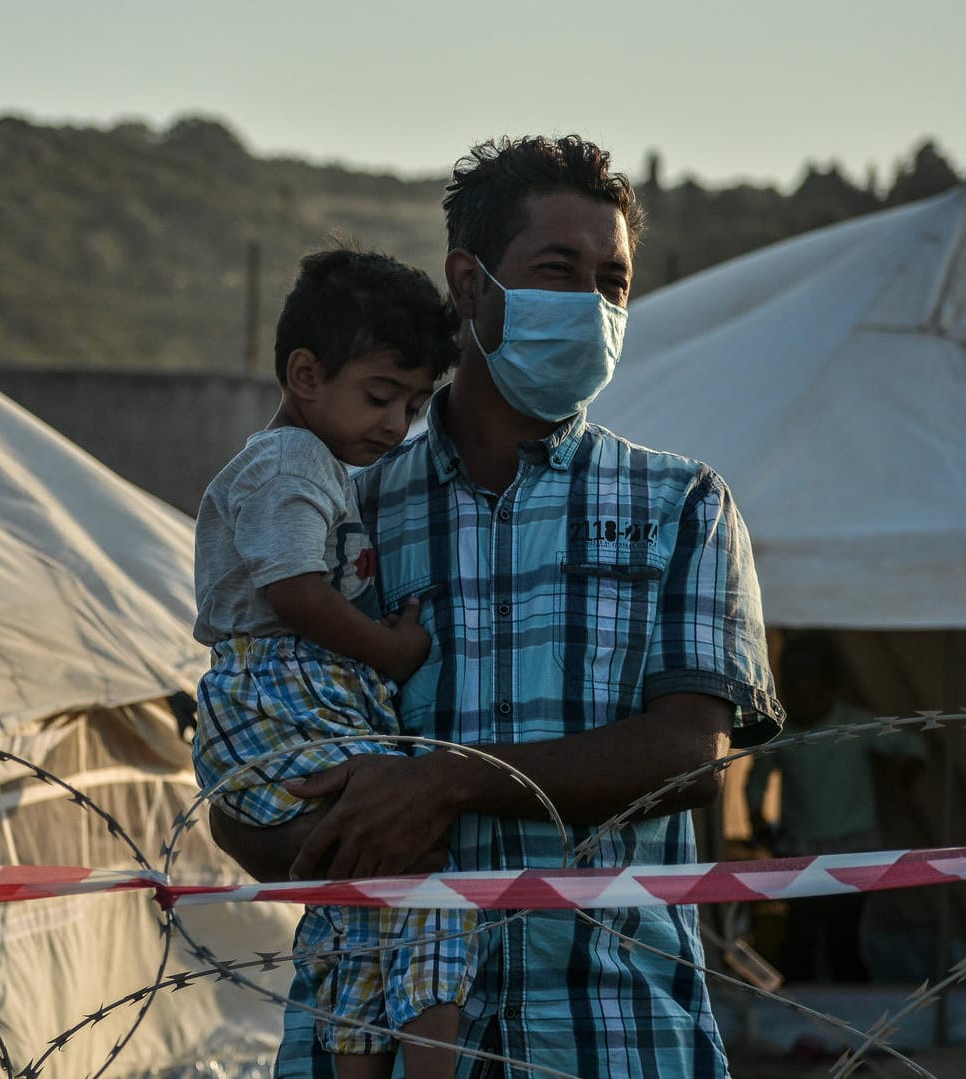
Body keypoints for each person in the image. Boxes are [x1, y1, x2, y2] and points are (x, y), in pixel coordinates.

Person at [207, 135, 785, 1079]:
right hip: (375, 1039)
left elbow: (687, 757)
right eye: (558, 272)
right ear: (469, 285)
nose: (592, 306)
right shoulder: (340, 505)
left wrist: (441, 783)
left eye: (613, 282)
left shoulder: (681, 506)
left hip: (613, 1034)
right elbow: (250, 733)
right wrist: (302, 835)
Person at [192, 247, 470, 1078]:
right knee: (413, 879)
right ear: (305, 374)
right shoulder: (290, 463)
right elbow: (297, 594)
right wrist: (395, 648)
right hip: (282, 701)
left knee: (366, 899)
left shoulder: (322, 464)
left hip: (304, 700)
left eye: (415, 405)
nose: (396, 425)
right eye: (380, 396)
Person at [746, 632, 925, 983]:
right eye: (796, 691)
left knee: (844, 936)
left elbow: (910, 742)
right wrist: (756, 818)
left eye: (814, 692)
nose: (805, 700)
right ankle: (797, 1013)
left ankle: (855, 1016)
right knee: (801, 936)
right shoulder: (782, 734)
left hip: (854, 849)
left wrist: (911, 766)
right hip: (800, 849)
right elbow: (756, 780)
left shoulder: (853, 725)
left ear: (833, 688)